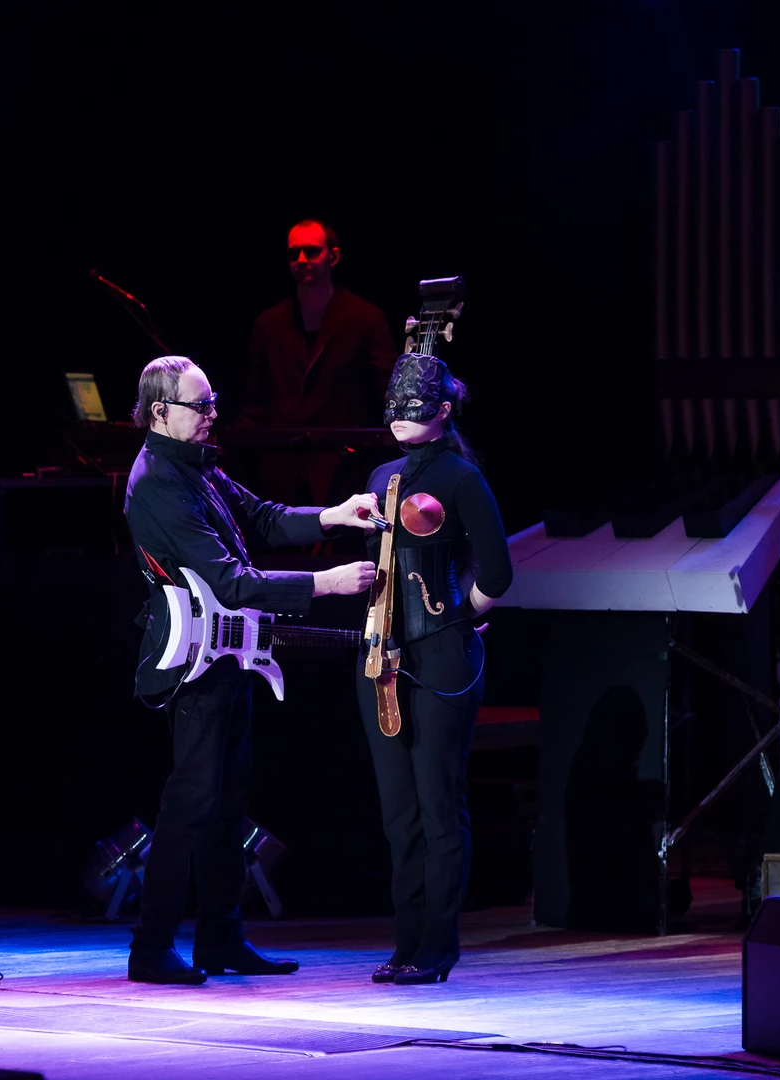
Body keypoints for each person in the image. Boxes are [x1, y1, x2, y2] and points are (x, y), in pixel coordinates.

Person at [123, 355, 381, 984]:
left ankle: (220, 936)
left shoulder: (194, 467)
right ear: (160, 412)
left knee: (228, 797)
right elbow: (230, 581)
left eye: (213, 402)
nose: (213, 414)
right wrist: (326, 583)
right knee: (191, 801)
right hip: (195, 660)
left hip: (226, 650)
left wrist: (335, 515)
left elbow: (262, 516)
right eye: (201, 405)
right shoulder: (158, 481)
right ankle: (151, 945)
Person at [355, 353, 512, 985]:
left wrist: (459, 616)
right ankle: (406, 942)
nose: (398, 416)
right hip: (381, 655)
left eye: (414, 406)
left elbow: (497, 571)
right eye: (393, 404)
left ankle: (437, 947)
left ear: (444, 411)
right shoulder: (381, 475)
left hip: (442, 655)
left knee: (438, 803)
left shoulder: (462, 478)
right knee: (399, 812)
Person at [240, 219, 398, 505]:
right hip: (281, 471)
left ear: (333, 257)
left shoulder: (365, 318)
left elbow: (387, 389)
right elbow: (255, 400)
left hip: (346, 468)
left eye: (312, 251)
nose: (301, 260)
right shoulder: (268, 324)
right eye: (294, 253)